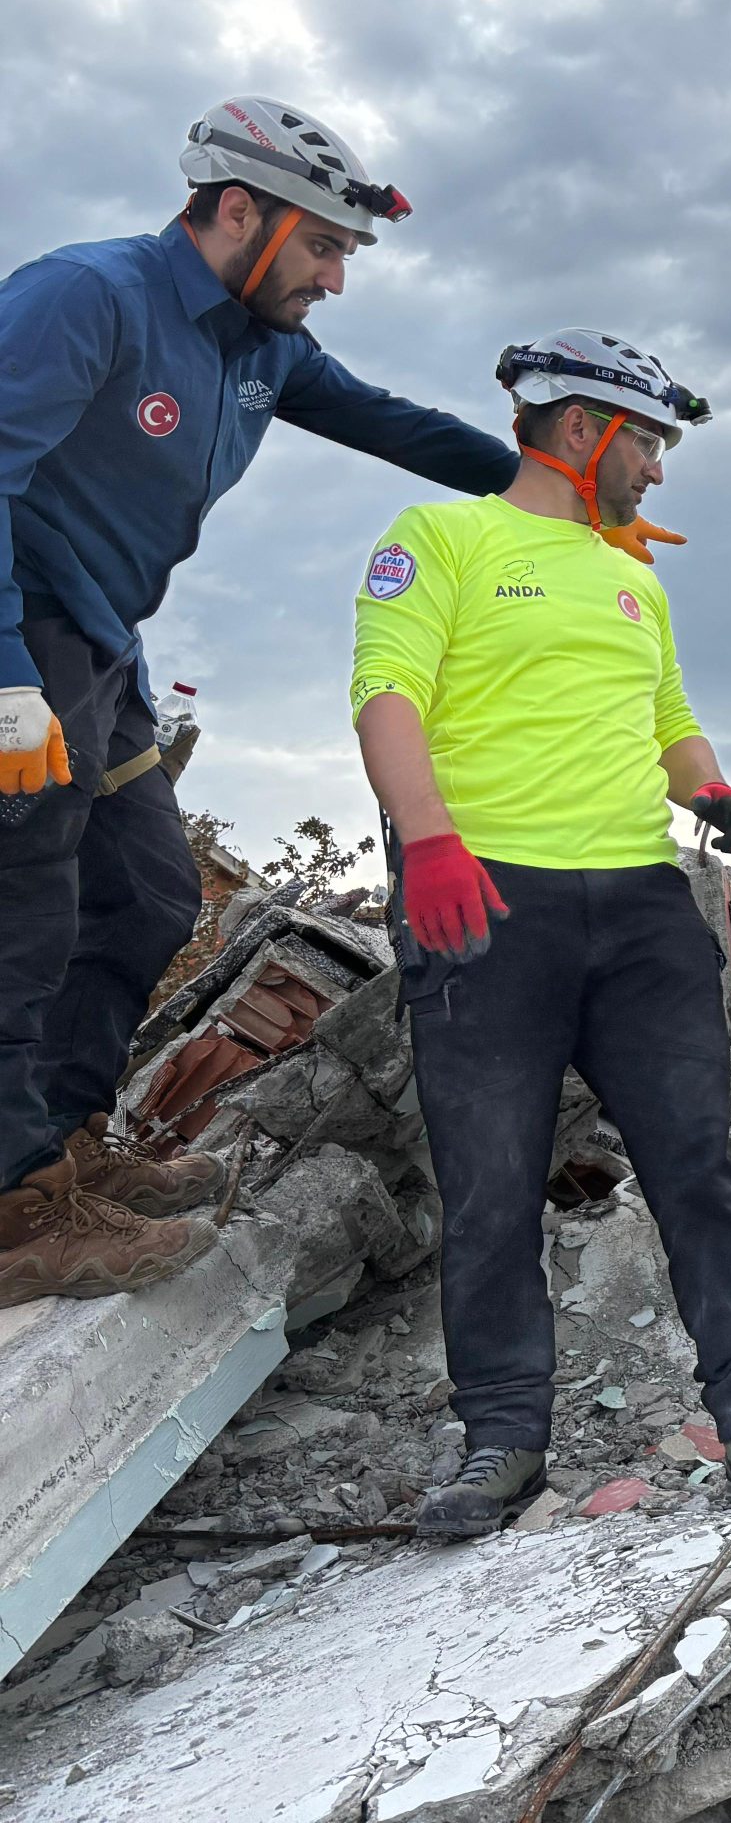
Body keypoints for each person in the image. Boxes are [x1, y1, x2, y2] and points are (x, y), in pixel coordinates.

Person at [0, 97, 522, 1310]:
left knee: (143, 896)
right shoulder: (91, 293)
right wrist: (8, 678)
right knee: (22, 906)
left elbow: (391, 423)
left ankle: (58, 1157)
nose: (337, 277)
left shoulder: (259, 346)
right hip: (20, 636)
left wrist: (556, 483)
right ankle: (11, 1209)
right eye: (325, 246)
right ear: (238, 210)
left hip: (93, 646)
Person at [351, 329, 731, 1536]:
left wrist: (709, 785)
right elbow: (386, 692)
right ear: (579, 430)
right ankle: (501, 1439)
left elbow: (670, 715)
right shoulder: (438, 541)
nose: (656, 470)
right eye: (648, 442)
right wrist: (429, 840)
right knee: (490, 1188)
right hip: (484, 898)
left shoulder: (633, 580)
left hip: (642, 906)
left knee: (697, 1171)